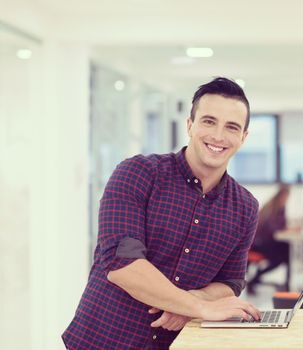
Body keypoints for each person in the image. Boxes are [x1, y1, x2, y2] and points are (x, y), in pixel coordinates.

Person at [62, 77, 261, 350]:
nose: (218, 136)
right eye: (209, 121)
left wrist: (193, 300)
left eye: (232, 127)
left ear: (243, 137)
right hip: (104, 341)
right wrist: (199, 307)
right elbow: (122, 265)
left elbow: (231, 281)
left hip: (177, 344)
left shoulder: (245, 207)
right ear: (190, 125)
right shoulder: (138, 173)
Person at [248, 184, 291, 293]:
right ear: (281, 196)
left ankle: (286, 284)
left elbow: (280, 227)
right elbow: (273, 230)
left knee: (287, 250)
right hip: (258, 243)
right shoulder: (272, 209)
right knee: (281, 257)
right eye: (286, 197)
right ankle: (255, 279)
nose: (287, 200)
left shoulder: (279, 209)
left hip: (266, 242)